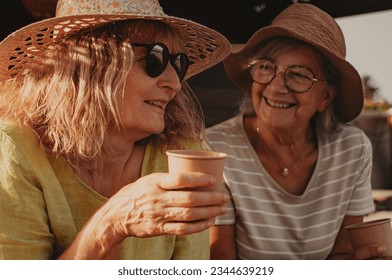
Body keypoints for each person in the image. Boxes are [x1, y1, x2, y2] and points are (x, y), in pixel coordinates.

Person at [0, 0, 231, 260]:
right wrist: (113, 221)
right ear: (91, 66)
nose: (174, 83)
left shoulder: (179, 155)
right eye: (156, 59)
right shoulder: (17, 148)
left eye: (178, 64)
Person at [205, 3, 384, 260]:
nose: (277, 87)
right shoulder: (215, 149)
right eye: (266, 67)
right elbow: (222, 266)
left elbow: (343, 254)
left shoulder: (352, 150)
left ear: (326, 96)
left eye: (298, 74)